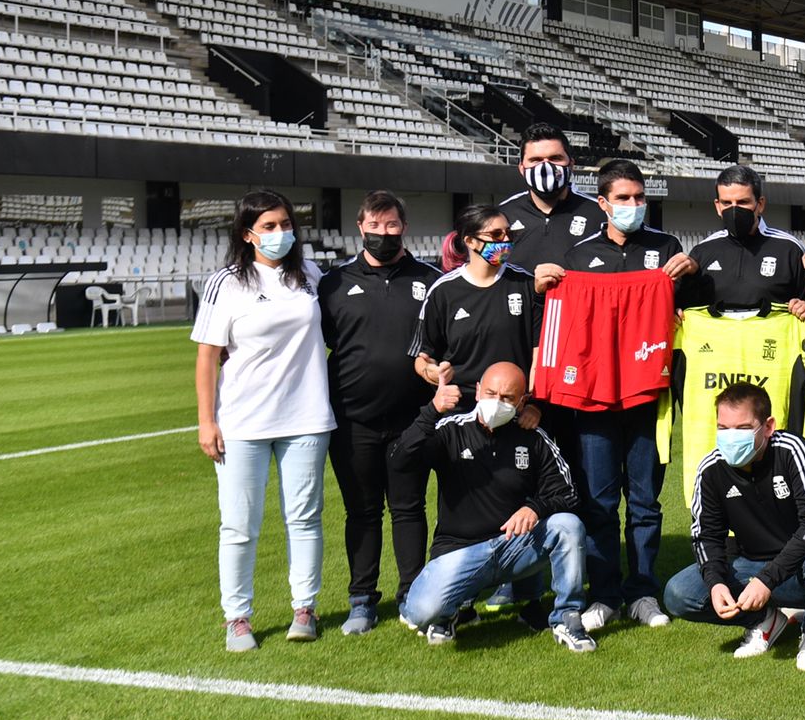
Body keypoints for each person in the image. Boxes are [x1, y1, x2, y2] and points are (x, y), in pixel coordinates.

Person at [538, 159, 696, 632]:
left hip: (648, 395)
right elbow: (556, 323)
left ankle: (643, 591)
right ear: (603, 203)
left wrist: (691, 273)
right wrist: (541, 283)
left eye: (639, 197)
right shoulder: (578, 257)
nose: (633, 205)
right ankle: (604, 593)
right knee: (600, 501)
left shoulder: (666, 249)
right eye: (623, 198)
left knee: (645, 501)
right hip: (593, 398)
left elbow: (691, 312)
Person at [192, 190, 335, 651]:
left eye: (285, 225)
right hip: (242, 423)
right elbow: (207, 357)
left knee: (305, 517)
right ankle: (237, 618)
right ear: (247, 234)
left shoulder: (310, 275)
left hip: (308, 417)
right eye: (269, 227)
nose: (280, 234)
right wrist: (206, 421)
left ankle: (304, 609)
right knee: (238, 525)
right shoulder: (226, 282)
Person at [390, 361, 594, 652]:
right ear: (477, 391)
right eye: (491, 393)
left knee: (569, 526)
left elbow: (569, 493)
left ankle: (567, 618)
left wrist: (534, 508)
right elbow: (400, 460)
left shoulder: (534, 438)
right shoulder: (452, 430)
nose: (497, 402)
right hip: (460, 552)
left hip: (514, 546)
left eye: (508, 398)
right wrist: (432, 409)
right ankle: (451, 610)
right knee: (419, 612)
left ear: (522, 401)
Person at [317, 190, 443, 634]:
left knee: (409, 508)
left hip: (413, 418)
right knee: (362, 512)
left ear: (403, 227)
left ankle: (411, 593)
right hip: (353, 421)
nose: (382, 234)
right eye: (374, 226)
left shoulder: (430, 281)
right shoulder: (332, 285)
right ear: (360, 227)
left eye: (391, 226)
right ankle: (361, 600)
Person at [661, 382, 805, 671]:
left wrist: (767, 580)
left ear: (768, 426)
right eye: (723, 428)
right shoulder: (711, 469)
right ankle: (764, 620)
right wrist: (716, 582)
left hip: (803, 567)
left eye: (742, 427)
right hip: (751, 565)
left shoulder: (792, 451)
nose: (731, 437)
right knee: (678, 593)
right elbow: (705, 536)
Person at [413, 203, 542, 396]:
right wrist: (430, 371)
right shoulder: (443, 291)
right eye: (497, 234)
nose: (506, 240)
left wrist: (533, 403)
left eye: (509, 234)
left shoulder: (526, 284)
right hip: (461, 406)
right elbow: (422, 357)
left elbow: (539, 353)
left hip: (512, 405)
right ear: (471, 241)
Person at [679, 165, 805, 317]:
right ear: (717, 206)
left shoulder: (790, 249)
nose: (734, 210)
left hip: (769, 341)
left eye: (743, 202)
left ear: (760, 204)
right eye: (727, 203)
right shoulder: (702, 251)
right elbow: (686, 310)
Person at [497, 123, 608, 272]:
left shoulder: (600, 214)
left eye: (555, 158)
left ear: (571, 165)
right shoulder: (502, 215)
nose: (546, 167)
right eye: (535, 160)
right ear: (522, 169)